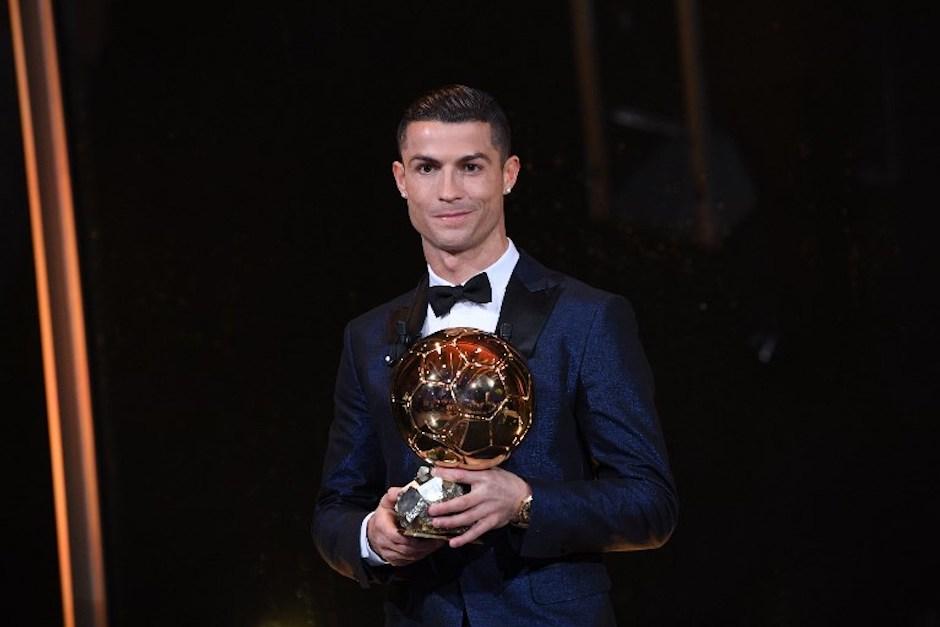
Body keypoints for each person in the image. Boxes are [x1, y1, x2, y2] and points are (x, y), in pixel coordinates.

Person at [313, 84, 677, 626]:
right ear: (401, 180)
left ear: (508, 174)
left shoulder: (587, 318)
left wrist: (526, 503)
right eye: (428, 168)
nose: (449, 191)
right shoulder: (367, 336)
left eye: (471, 167)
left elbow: (651, 505)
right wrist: (373, 536)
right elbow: (334, 510)